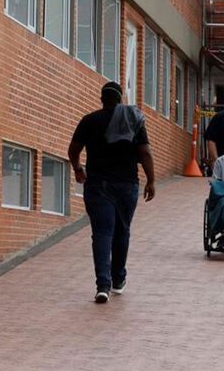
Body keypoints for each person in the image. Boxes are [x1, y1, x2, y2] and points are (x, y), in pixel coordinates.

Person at [69, 81, 156, 304]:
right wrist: (151, 181)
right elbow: (145, 153)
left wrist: (78, 168)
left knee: (102, 233)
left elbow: (74, 149)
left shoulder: (90, 120)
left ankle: (103, 286)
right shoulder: (132, 120)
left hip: (97, 185)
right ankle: (118, 280)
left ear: (102, 99)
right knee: (122, 231)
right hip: (127, 185)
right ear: (120, 100)